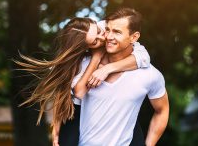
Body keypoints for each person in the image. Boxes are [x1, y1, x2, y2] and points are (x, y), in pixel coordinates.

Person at [15, 17, 150, 145]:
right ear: (86, 47)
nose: (103, 37)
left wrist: (108, 68)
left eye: (98, 31)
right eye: (94, 42)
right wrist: (96, 58)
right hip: (77, 111)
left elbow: (143, 57)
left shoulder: (107, 27)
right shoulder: (77, 64)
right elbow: (72, 93)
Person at [71, 8, 169, 146]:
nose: (109, 37)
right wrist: (56, 130)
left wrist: (149, 144)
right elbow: (63, 97)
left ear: (134, 37)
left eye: (117, 32)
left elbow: (162, 110)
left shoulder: (150, 75)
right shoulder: (84, 64)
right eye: (108, 30)